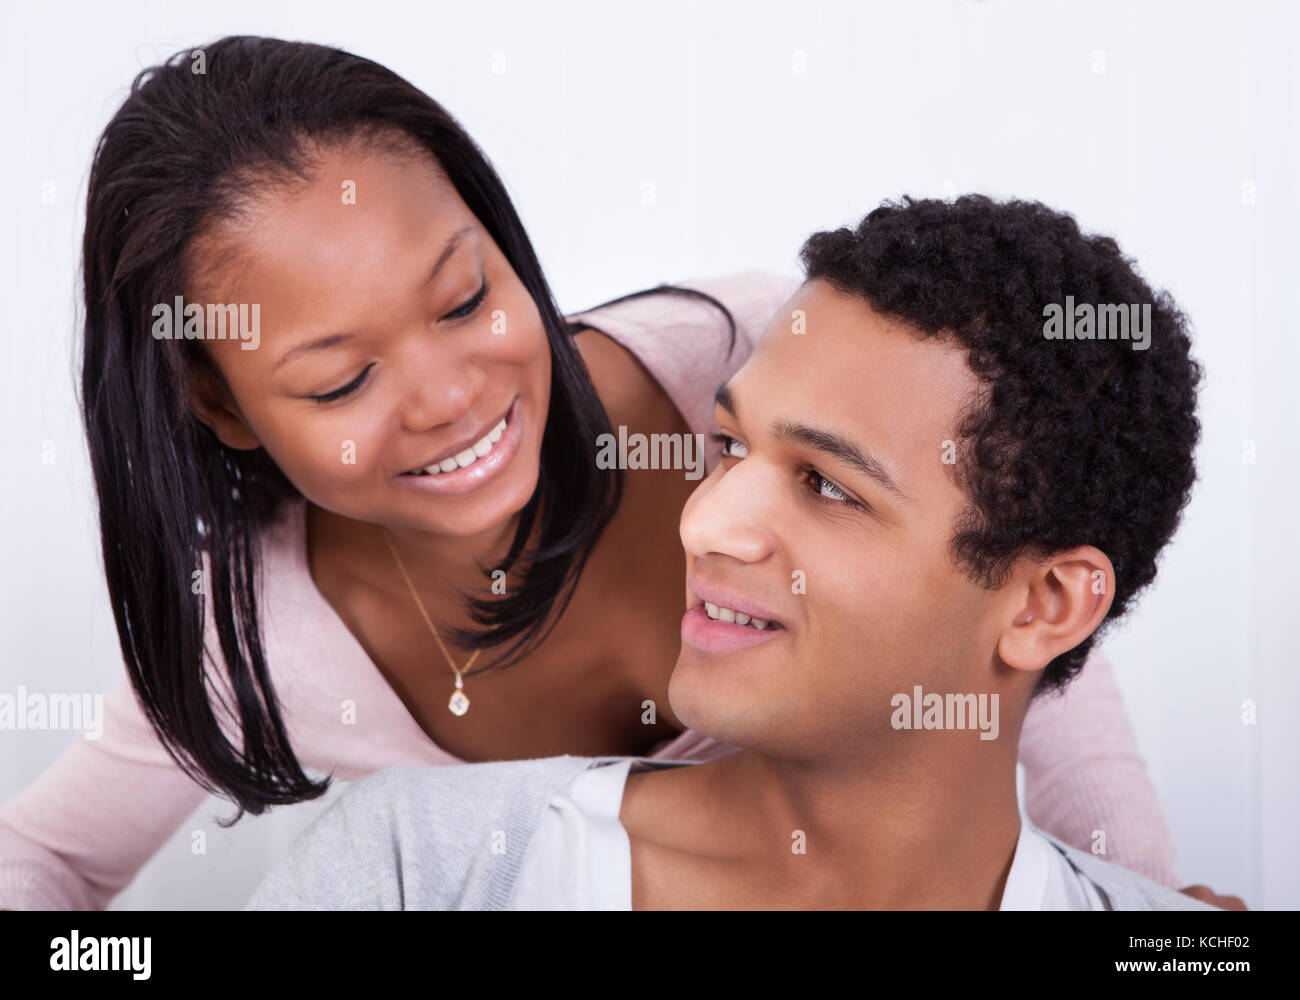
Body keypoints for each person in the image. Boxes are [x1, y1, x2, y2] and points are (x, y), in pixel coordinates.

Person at [0, 38, 1180, 910]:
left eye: (466, 298)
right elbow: (40, 867)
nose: (449, 395)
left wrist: (1143, 903)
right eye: (339, 380)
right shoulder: (281, 679)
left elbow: (1002, 566)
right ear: (223, 405)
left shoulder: (751, 354)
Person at [248, 195, 1218, 910]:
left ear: (1047, 604)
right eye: (729, 447)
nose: (703, 523)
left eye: (830, 485)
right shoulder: (417, 868)